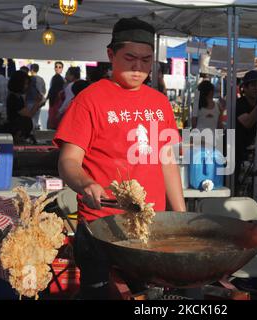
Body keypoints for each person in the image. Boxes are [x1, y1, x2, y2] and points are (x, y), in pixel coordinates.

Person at [54, 17, 186, 299]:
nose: (138, 68)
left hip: (150, 226)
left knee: (150, 298)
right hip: (101, 227)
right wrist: (85, 184)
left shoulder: (159, 102)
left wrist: (181, 217)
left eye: (146, 60)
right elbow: (68, 161)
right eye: (130, 58)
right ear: (111, 55)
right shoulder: (89, 100)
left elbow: (167, 161)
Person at [235, 70, 257, 188]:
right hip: (237, 154)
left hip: (256, 155)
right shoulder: (239, 104)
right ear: (244, 88)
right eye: (253, 85)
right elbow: (247, 122)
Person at [5, 71, 44, 142]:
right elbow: (29, 115)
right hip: (16, 133)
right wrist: (37, 102)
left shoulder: (17, 97)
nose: (26, 86)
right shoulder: (14, 98)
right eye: (25, 84)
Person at [26, 63, 46, 129]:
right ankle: (35, 130)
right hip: (38, 102)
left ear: (31, 69)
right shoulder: (41, 79)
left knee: (29, 118)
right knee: (36, 118)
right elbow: (44, 91)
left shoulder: (29, 79)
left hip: (29, 101)